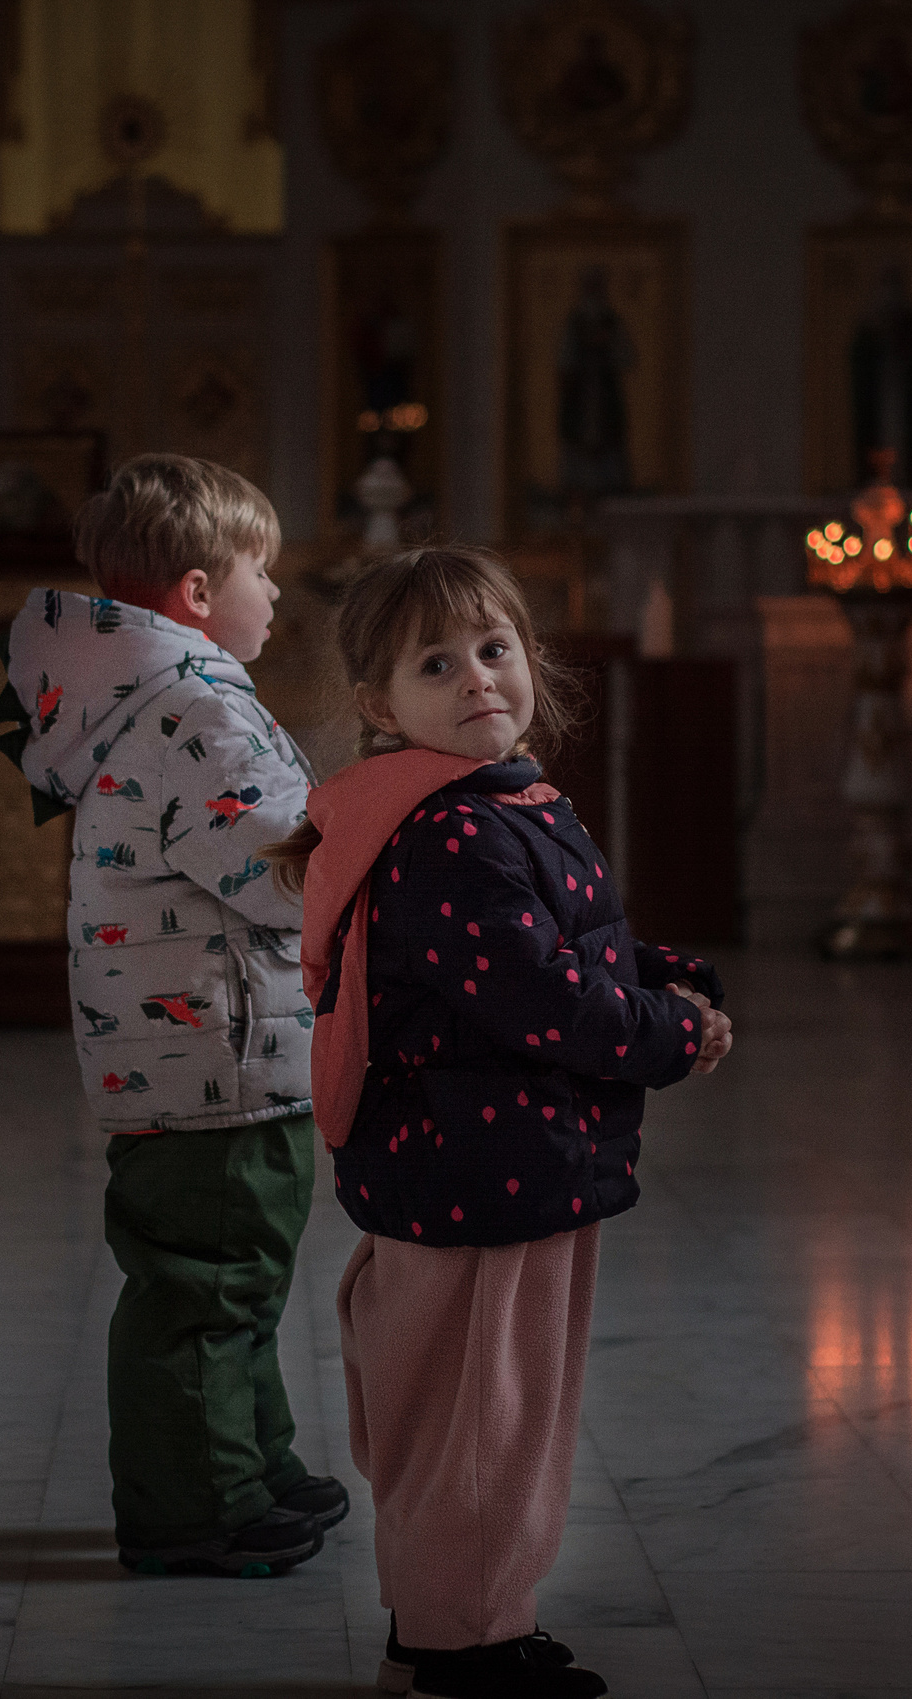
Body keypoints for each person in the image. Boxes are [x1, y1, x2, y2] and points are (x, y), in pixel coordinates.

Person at [264, 546, 733, 1699]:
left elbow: (576, 948)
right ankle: (443, 1650)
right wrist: (666, 1034)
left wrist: (666, 974)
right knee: (475, 1424)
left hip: (515, 1163)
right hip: (474, 1173)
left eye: (494, 647)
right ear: (381, 707)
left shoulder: (499, 801)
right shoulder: (451, 835)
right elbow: (541, 999)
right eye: (439, 662)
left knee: (502, 1418)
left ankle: (480, 1622)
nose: (478, 677)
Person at [4, 453, 345, 1578]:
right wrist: (369, 833)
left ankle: (251, 1463)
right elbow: (276, 872)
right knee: (208, 1281)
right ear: (197, 593)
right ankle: (195, 1506)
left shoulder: (125, 694)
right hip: (218, 1052)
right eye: (264, 572)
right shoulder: (192, 705)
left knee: (236, 1270)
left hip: (191, 1048)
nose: (278, 595)